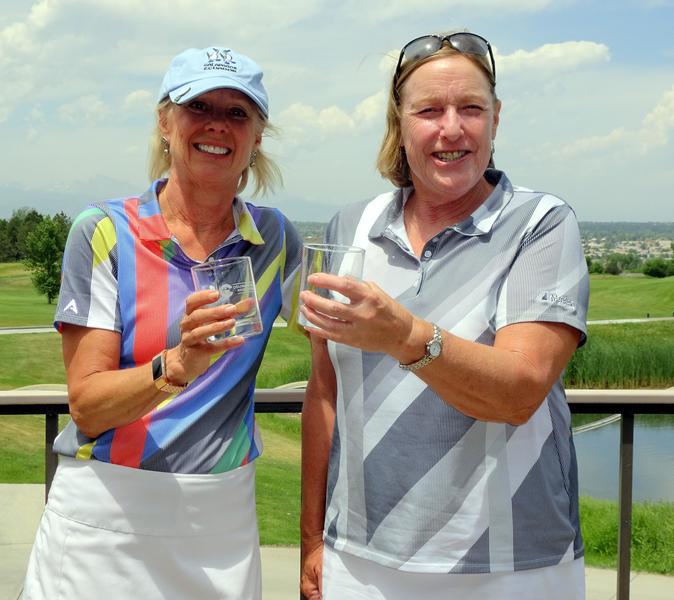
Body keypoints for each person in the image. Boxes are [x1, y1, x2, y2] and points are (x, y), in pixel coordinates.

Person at [300, 31, 589, 600]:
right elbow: (324, 392)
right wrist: (313, 538)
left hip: (509, 568)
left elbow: (518, 392)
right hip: (359, 561)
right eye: (429, 110)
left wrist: (404, 335)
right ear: (399, 124)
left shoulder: (541, 223)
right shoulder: (349, 228)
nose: (451, 128)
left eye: (471, 109)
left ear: (496, 120)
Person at [22, 46, 302, 600]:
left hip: (221, 519)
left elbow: (339, 340)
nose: (217, 124)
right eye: (198, 106)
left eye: (237, 112)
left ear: (257, 137)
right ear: (165, 122)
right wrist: (176, 365)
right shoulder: (104, 230)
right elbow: (87, 406)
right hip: (106, 516)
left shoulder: (276, 239)